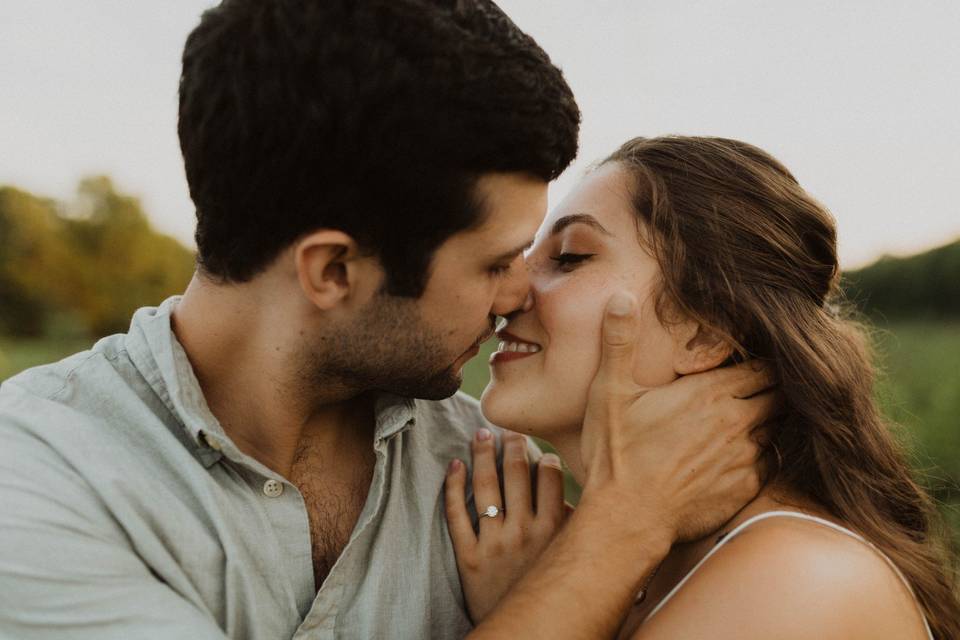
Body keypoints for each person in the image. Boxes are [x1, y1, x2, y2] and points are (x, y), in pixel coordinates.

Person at [0, 3, 773, 638]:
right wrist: (623, 530)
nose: (515, 296)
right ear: (333, 270)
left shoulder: (500, 486)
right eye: (495, 263)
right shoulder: (37, 477)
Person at [446, 136, 960, 639]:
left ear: (706, 332)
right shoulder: (657, 570)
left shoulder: (790, 580)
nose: (508, 293)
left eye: (570, 257)